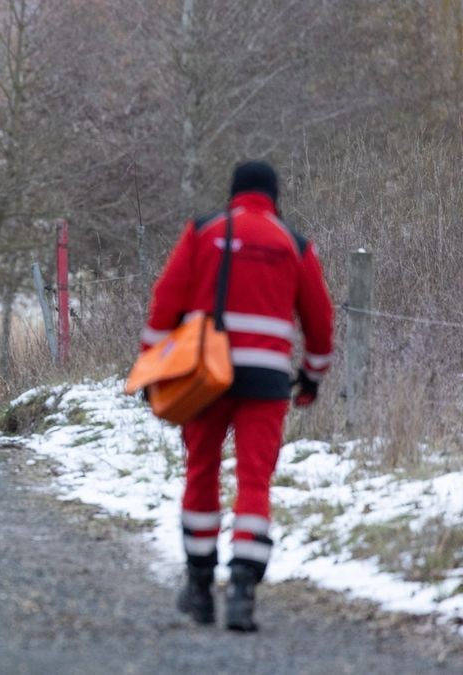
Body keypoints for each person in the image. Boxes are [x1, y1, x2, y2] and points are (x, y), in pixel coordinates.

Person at [140, 161, 333, 632]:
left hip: (204, 374)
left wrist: (152, 363)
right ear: (273, 196)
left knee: (201, 471)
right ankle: (243, 589)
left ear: (233, 193)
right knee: (254, 481)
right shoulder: (293, 242)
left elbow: (165, 300)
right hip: (266, 381)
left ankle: (201, 588)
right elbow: (320, 321)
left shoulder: (204, 230)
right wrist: (311, 376)